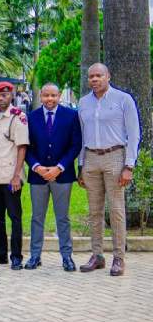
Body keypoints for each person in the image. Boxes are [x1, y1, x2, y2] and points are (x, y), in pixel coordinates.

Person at [78, 63, 141, 276]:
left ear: (108, 76)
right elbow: (81, 135)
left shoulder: (123, 100)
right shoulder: (83, 103)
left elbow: (134, 134)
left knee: (116, 210)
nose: (94, 80)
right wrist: (80, 165)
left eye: (99, 76)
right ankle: (97, 255)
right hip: (91, 159)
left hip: (115, 157)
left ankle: (118, 258)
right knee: (94, 212)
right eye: (91, 77)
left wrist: (129, 165)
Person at [25, 83, 82, 271]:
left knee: (63, 218)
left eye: (54, 96)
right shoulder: (31, 118)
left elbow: (75, 145)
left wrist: (59, 167)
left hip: (62, 176)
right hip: (38, 176)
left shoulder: (71, 116)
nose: (50, 99)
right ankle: (35, 256)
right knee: (37, 217)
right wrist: (36, 167)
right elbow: (26, 147)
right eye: (46, 96)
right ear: (41, 96)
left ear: (59, 96)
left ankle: (67, 257)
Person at [0, 81, 29, 270]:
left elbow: (22, 147)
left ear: (11, 96)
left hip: (11, 175)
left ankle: (16, 256)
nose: (1, 98)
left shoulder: (18, 117)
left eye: (4, 95)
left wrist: (17, 175)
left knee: (15, 217)